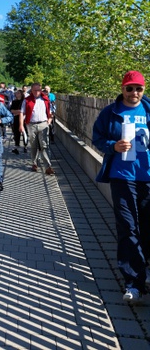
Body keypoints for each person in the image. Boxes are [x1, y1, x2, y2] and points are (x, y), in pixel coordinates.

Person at [92, 70, 150, 304]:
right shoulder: (110, 112)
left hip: (147, 177)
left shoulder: (148, 110)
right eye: (129, 88)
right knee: (127, 228)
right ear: (122, 88)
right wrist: (113, 146)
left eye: (138, 88)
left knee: (146, 228)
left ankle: (143, 269)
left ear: (143, 89)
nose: (134, 92)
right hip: (122, 177)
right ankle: (133, 283)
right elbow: (97, 138)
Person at [19, 82, 55, 175]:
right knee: (34, 145)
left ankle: (48, 167)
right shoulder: (27, 100)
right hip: (31, 125)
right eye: (35, 90)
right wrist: (21, 125)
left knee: (44, 145)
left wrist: (49, 121)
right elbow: (22, 113)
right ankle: (34, 163)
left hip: (43, 124)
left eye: (38, 90)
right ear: (31, 90)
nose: (37, 92)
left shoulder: (45, 99)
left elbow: (51, 112)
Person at [10, 89, 28, 154]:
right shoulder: (14, 101)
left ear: (21, 94)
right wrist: (20, 112)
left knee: (25, 132)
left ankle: (25, 146)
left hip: (24, 119)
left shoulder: (24, 101)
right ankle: (16, 147)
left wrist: (19, 112)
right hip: (16, 119)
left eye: (18, 93)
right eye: (16, 93)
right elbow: (12, 110)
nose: (17, 94)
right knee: (16, 133)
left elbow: (25, 111)